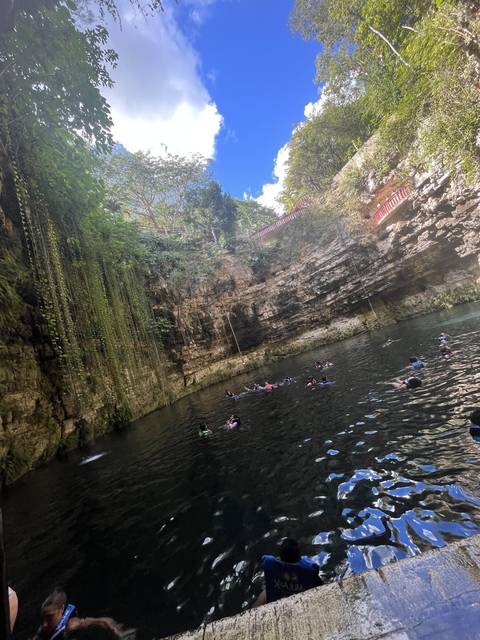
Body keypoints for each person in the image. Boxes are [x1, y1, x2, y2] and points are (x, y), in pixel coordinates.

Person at [253, 538, 321, 607]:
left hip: (277, 597)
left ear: (280, 556)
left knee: (265, 592)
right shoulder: (309, 569)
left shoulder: (270, 564)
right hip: (301, 598)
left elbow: (265, 559)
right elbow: (318, 582)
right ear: (298, 556)